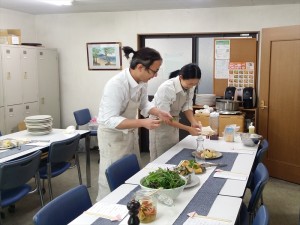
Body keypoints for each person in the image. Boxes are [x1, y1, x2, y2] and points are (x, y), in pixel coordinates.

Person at [96, 46, 172, 200]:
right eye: (154, 71)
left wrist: (157, 111)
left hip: (130, 132)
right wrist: (142, 122)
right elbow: (108, 119)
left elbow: (144, 104)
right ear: (140, 67)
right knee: (110, 175)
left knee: (130, 172)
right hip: (112, 137)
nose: (155, 75)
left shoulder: (142, 81)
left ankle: (130, 204)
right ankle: (106, 207)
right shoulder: (117, 84)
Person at [149, 63, 202, 161]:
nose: (192, 86)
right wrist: (188, 128)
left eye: (195, 84)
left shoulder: (190, 86)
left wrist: (193, 122)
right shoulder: (167, 88)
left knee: (173, 153)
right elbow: (166, 118)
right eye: (190, 83)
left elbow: (187, 105)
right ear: (181, 77)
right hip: (160, 124)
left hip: (174, 121)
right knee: (160, 157)